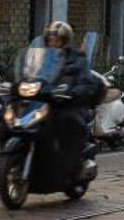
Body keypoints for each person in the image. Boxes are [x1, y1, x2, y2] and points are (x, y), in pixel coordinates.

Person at [42, 20, 102, 176]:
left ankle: (69, 167)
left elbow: (86, 83)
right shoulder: (43, 59)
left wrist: (73, 92)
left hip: (70, 105)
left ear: (64, 40)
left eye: (56, 40)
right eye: (50, 40)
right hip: (47, 103)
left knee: (67, 120)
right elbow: (31, 74)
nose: (52, 43)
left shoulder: (77, 58)